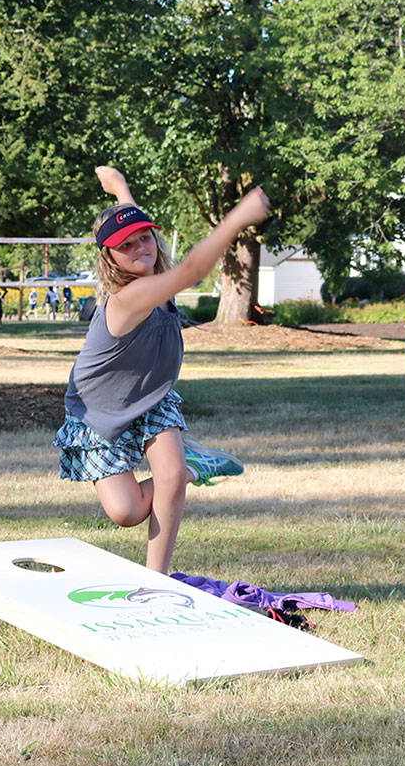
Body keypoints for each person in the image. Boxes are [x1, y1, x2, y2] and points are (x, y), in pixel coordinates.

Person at [52, 166, 268, 573]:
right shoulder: (128, 298)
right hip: (98, 412)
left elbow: (129, 219)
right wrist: (237, 217)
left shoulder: (148, 266)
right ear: (108, 257)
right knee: (126, 512)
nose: (139, 247)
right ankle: (196, 467)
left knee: (167, 478)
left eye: (145, 237)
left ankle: (158, 578)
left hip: (152, 397)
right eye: (126, 246)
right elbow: (190, 272)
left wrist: (119, 187)